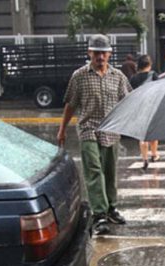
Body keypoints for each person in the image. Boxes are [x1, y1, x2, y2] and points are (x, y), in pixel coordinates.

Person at [57, 34, 131, 235]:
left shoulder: (118, 77)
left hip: (111, 131)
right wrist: (62, 129)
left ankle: (111, 208)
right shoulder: (79, 76)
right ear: (89, 53)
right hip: (89, 129)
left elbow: (127, 103)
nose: (100, 57)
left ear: (109, 54)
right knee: (94, 170)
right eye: (96, 53)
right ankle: (99, 214)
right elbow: (70, 104)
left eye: (103, 53)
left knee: (110, 171)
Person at [130, 54, 160, 171]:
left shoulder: (134, 78)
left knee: (142, 135)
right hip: (152, 106)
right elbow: (159, 90)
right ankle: (154, 154)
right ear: (149, 64)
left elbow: (130, 93)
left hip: (139, 107)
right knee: (153, 132)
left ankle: (145, 159)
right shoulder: (153, 75)